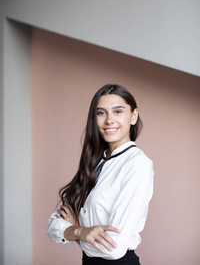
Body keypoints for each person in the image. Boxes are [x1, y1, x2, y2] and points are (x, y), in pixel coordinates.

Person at [47, 84, 154, 265]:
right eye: (101, 113)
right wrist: (81, 232)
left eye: (118, 111)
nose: (109, 120)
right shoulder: (94, 162)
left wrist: (75, 230)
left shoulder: (138, 164)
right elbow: (53, 227)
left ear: (133, 116)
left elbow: (114, 249)